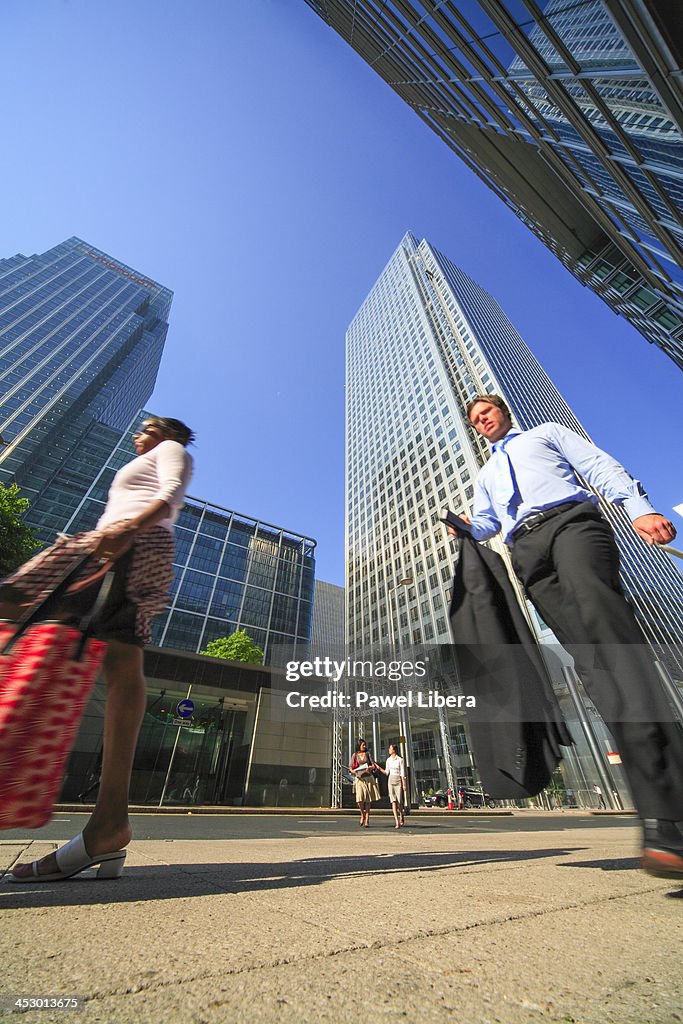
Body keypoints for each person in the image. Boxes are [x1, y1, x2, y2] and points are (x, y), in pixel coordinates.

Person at [449, 394, 683, 879]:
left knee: (611, 643)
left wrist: (638, 509)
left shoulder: (544, 435)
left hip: (572, 526)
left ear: (504, 414)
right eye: (474, 419)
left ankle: (670, 810)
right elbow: (489, 523)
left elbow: (598, 465)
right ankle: (661, 815)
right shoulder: (485, 477)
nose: (481, 421)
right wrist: (467, 528)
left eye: (486, 413)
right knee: (594, 668)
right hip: (528, 555)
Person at [6, 415, 194, 882]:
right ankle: (108, 825)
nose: (139, 432)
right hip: (122, 544)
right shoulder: (148, 455)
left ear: (166, 432)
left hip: (127, 545)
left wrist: (127, 530)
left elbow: (169, 495)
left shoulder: (171, 451)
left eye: (148, 426)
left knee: (15, 604)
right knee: (120, 662)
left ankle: (109, 823)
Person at [350, 739, 380, 827]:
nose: (364, 746)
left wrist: (370, 768)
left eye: (365, 745)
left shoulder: (368, 754)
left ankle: (367, 819)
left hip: (368, 778)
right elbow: (350, 767)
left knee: (367, 800)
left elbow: (373, 765)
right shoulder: (355, 755)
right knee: (359, 799)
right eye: (363, 745)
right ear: (359, 745)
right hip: (359, 778)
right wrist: (354, 771)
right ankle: (362, 814)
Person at [377, 743, 407, 828]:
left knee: (399, 802)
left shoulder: (400, 760)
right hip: (391, 780)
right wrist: (379, 768)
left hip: (398, 780)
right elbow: (387, 772)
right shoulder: (388, 760)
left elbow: (402, 773)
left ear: (394, 750)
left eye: (390, 748)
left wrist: (404, 784)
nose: (389, 750)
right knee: (393, 802)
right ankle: (397, 822)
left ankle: (401, 814)